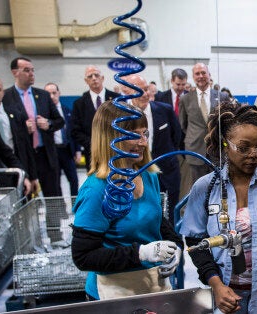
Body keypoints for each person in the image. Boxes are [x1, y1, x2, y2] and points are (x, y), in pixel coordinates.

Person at [180, 102, 257, 314]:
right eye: (243, 147)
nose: (253, 154)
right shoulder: (205, 188)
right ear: (225, 145)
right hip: (226, 297)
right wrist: (216, 285)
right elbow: (194, 239)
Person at [71, 100, 182, 300]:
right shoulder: (96, 189)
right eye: (133, 135)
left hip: (151, 286)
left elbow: (156, 220)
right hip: (113, 294)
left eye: (144, 133)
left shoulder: (148, 175)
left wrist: (175, 247)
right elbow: (83, 256)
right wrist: (141, 254)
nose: (142, 142)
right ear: (111, 138)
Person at [120, 74, 182, 221]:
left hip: (167, 171)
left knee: (171, 212)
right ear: (128, 92)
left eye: (146, 89)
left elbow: (177, 136)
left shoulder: (165, 110)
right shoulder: (123, 115)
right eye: (139, 90)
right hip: (138, 173)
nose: (145, 94)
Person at [3, 57, 64, 197]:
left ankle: (54, 220)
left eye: (32, 70)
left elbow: (60, 121)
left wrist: (48, 124)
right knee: (25, 196)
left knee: (53, 196)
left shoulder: (43, 95)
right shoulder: (6, 97)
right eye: (26, 70)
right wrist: (22, 129)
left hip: (45, 155)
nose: (31, 73)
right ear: (14, 72)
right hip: (22, 156)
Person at [0, 75, 38, 194]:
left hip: (15, 168)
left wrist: (32, 176)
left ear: (3, 92)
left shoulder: (16, 114)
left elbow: (27, 147)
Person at [178, 62, 229, 197]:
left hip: (217, 150)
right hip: (195, 149)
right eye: (197, 74)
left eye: (203, 73)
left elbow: (227, 122)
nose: (201, 76)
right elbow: (183, 125)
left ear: (209, 75)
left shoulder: (222, 96)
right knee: (198, 188)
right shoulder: (185, 99)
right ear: (193, 77)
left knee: (219, 187)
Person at [71, 65, 120, 170]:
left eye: (96, 75)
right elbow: (75, 131)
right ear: (86, 81)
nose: (94, 78)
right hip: (93, 154)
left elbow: (124, 124)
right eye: (90, 76)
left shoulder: (117, 99)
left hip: (117, 151)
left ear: (102, 78)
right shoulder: (79, 104)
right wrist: (94, 143)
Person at [44, 83, 80, 196]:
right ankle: (60, 209)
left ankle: (75, 205)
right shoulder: (43, 113)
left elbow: (74, 132)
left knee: (74, 179)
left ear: (59, 93)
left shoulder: (67, 110)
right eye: (48, 94)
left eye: (54, 93)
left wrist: (78, 150)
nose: (52, 96)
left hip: (67, 150)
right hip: (52, 152)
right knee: (55, 182)